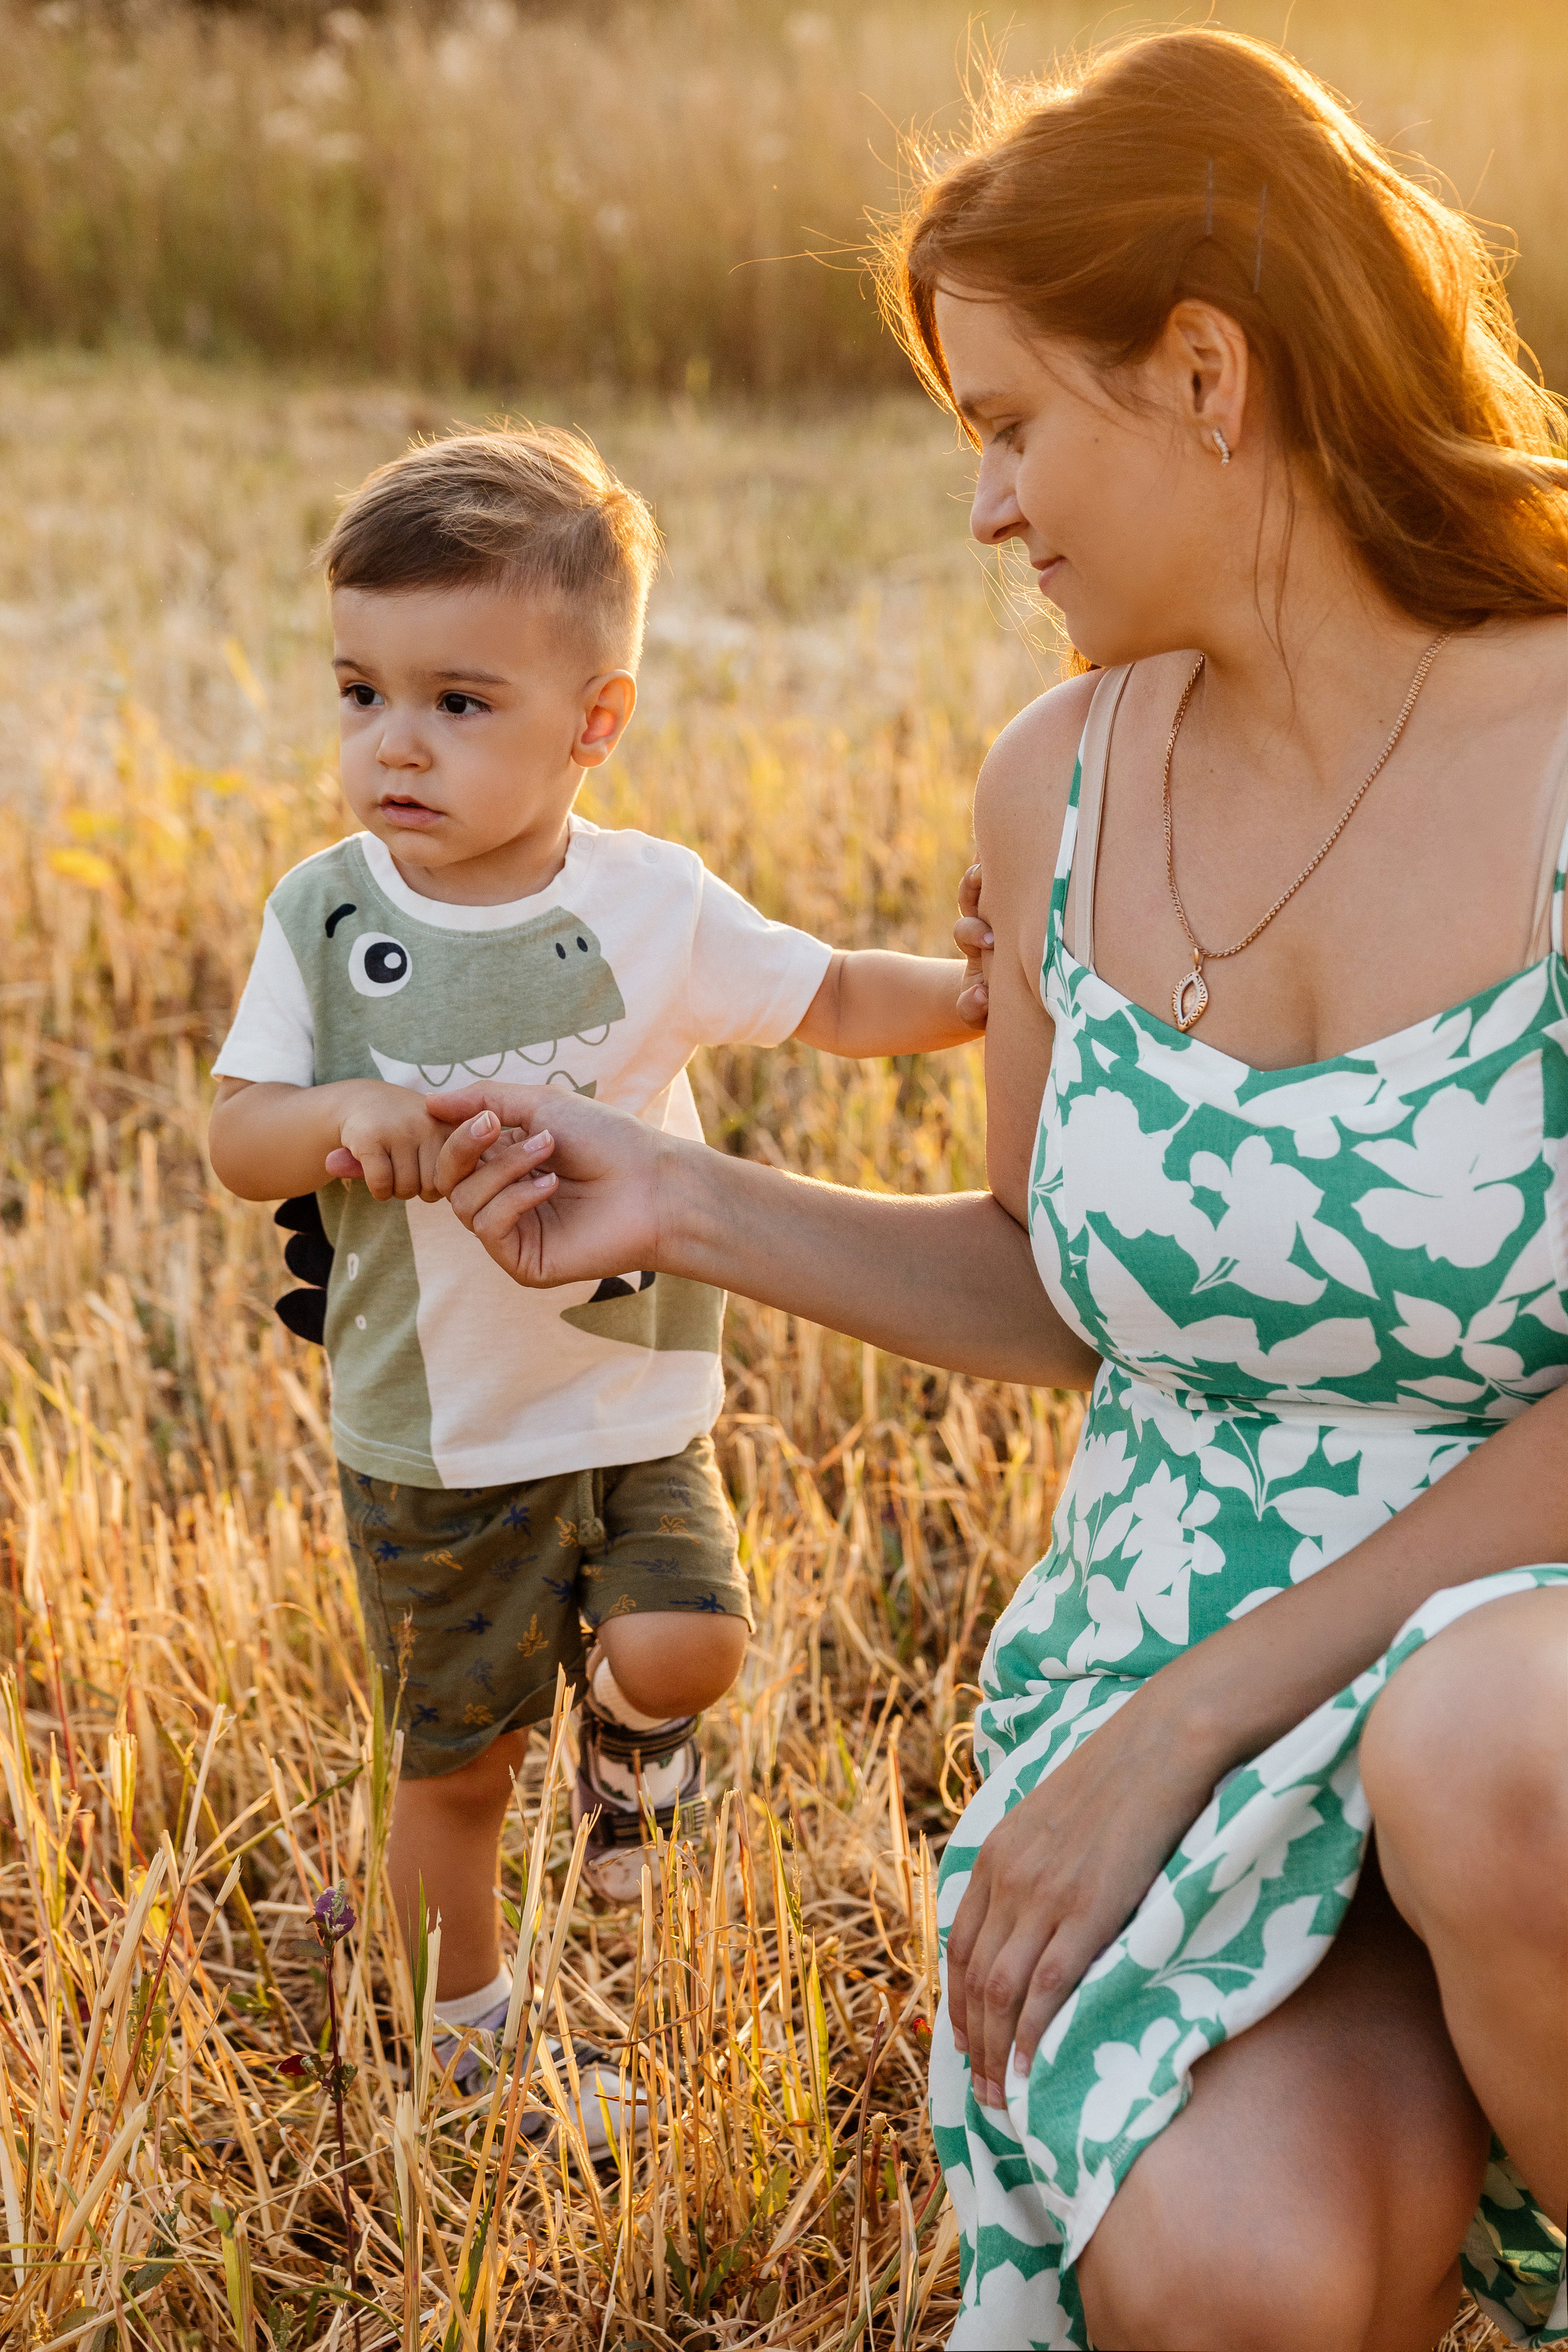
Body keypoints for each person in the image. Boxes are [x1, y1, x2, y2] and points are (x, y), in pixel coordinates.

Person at [423, 29, 1568, 2349]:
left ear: (1210, 374)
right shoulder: (1053, 784)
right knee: (1227, 2285)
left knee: (1493, 1753)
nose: (986, 508)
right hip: (1191, 1668)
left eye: (1013, 425)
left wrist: (1186, 1730)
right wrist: (680, 1193)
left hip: (1514, 1656)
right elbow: (1071, 1282)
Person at [206, 424, 979, 2100]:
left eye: (458, 703)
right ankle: (467, 2054)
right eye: (360, 693)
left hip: (633, 1397)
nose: (392, 746)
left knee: (691, 1643)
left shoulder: (655, 906)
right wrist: (344, 1109)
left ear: (597, 724)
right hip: (441, 1434)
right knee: (459, 1771)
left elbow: (836, 995)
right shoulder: (326, 918)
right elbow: (239, 1137)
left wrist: (984, 991)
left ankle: (636, 1749)